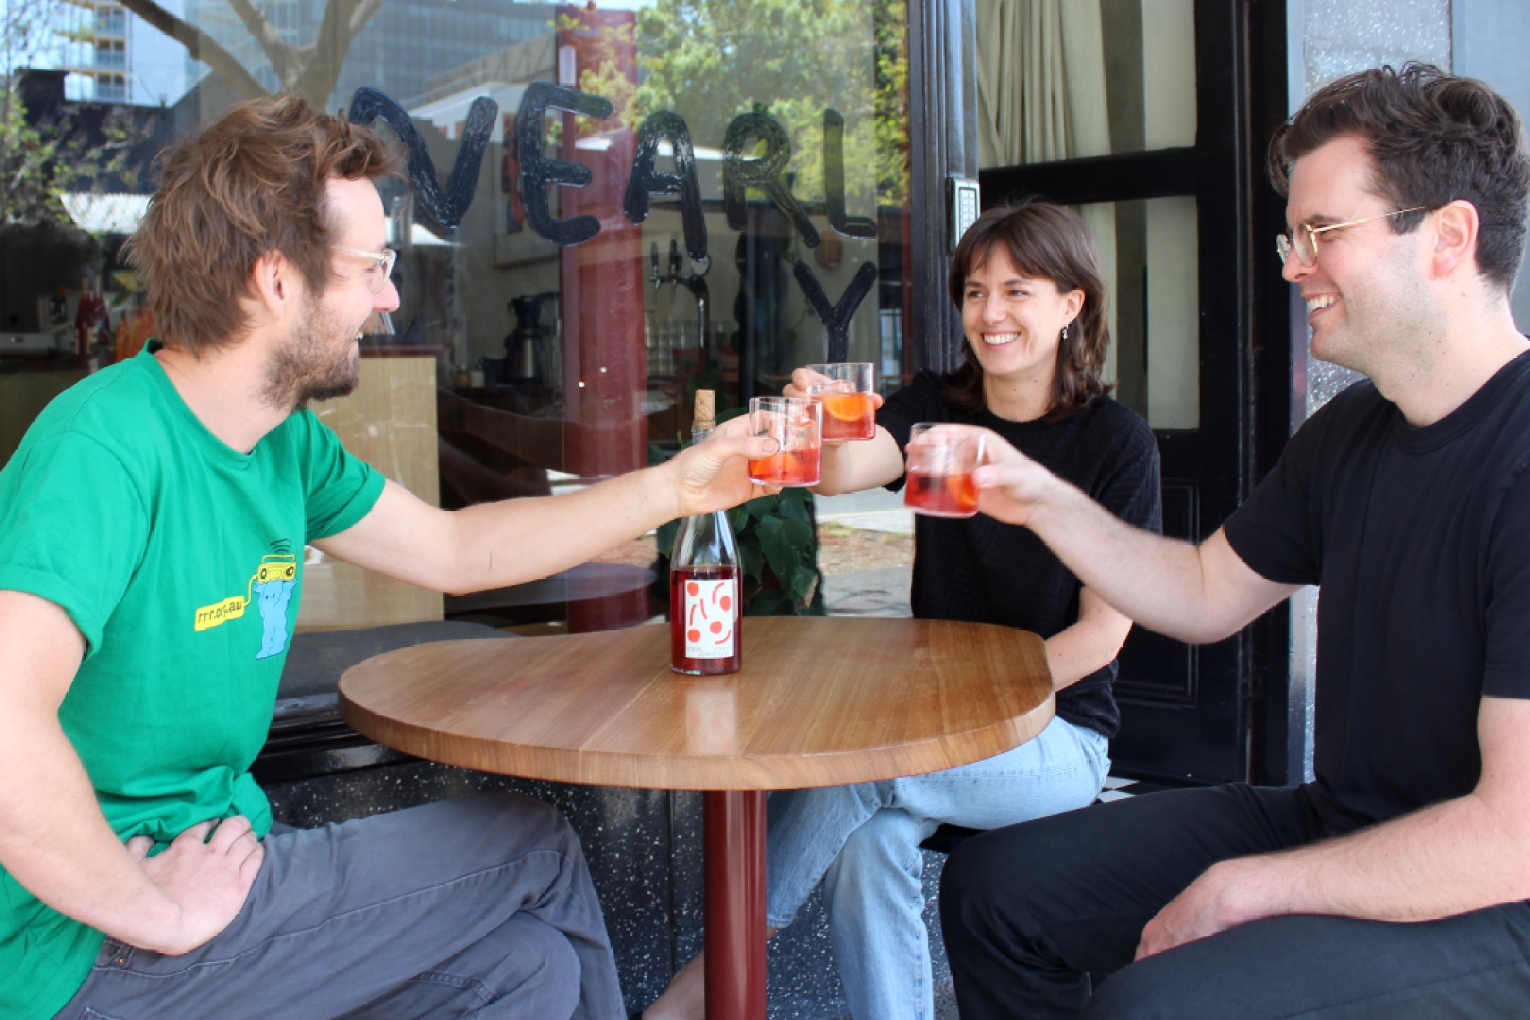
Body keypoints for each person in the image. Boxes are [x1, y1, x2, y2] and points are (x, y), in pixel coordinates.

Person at [0, 95, 780, 1020]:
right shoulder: (104, 444)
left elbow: (459, 549)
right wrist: (156, 913)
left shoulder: (284, 443)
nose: (390, 296)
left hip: (227, 870)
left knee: (528, 969)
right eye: (373, 267)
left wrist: (681, 487)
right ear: (276, 280)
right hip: (91, 940)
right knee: (532, 844)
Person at [938, 63, 1530, 1020]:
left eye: (1322, 233)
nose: (1292, 264)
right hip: (1338, 819)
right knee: (995, 889)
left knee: (1155, 1005)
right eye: (1292, 236)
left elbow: (1515, 839)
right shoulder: (1351, 432)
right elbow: (1206, 594)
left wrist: (1251, 887)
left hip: (1497, 902)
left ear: (1448, 237)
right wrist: (1042, 498)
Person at [639, 200, 1161, 1020]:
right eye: (976, 291)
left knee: (867, 768)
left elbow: (1103, 635)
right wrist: (818, 413)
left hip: (1056, 738)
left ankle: (704, 985)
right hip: (933, 728)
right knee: (868, 848)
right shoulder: (941, 406)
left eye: (1018, 291)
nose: (991, 313)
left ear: (1072, 303)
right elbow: (848, 473)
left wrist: (973, 714)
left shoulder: (1115, 442)